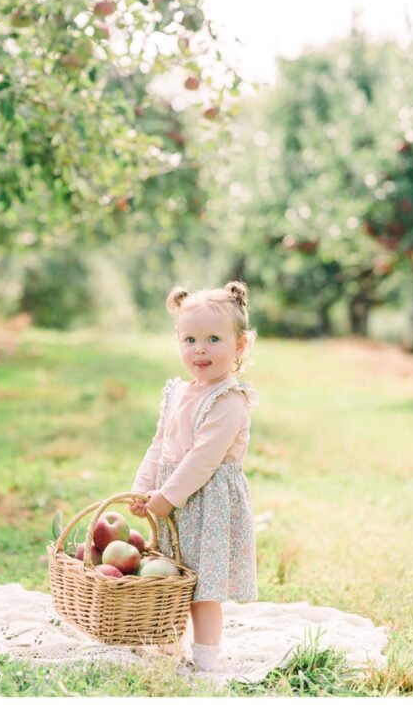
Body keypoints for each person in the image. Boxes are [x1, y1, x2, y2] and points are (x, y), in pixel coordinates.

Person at [128, 281, 258, 672]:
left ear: (239, 347)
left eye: (214, 339)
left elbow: (203, 460)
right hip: (173, 503)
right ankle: (167, 645)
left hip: (208, 506)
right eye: (190, 339)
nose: (200, 349)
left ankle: (204, 658)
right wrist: (142, 488)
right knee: (169, 581)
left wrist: (167, 496)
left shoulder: (229, 400)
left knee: (202, 589)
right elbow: (159, 446)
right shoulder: (177, 393)